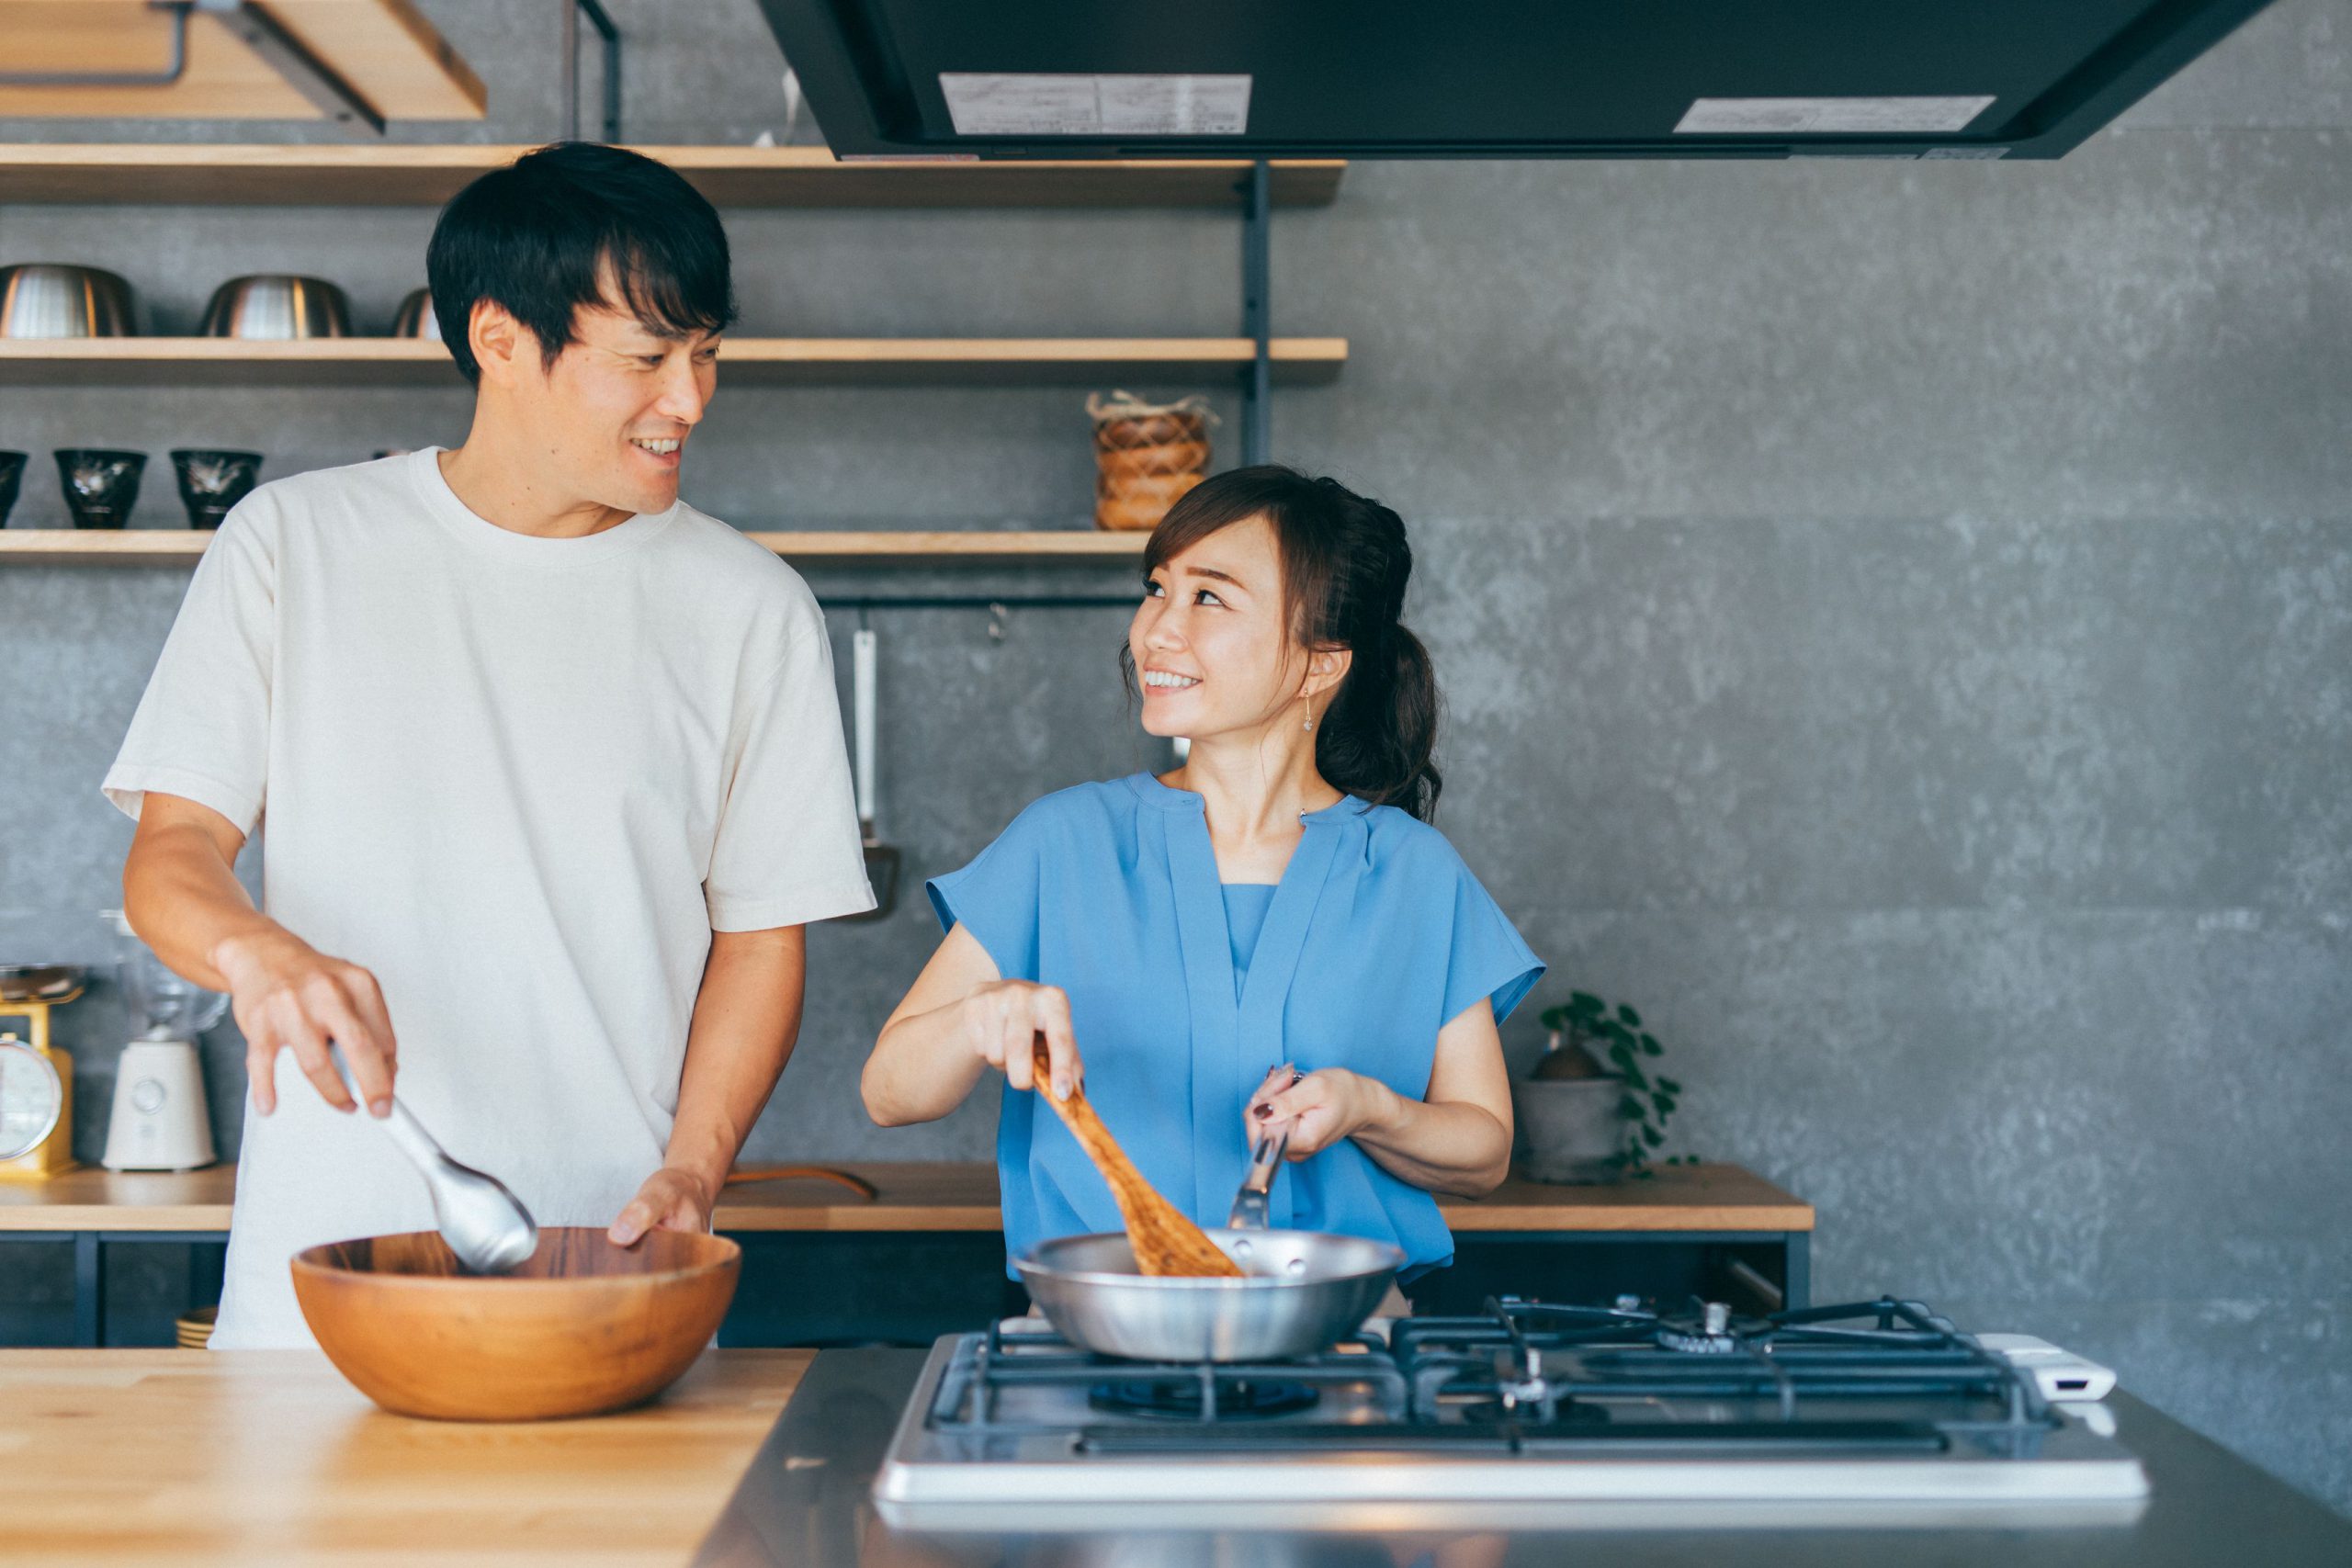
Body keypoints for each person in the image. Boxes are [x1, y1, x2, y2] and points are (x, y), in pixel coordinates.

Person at [107, 143, 873, 1348]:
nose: (691, 399)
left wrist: (694, 1168)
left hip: (616, 1277)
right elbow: (172, 853)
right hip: (321, 1294)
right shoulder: (294, 546)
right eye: (647, 357)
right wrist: (254, 951)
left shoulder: (749, 604)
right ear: (504, 341)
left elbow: (761, 939)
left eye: (706, 352)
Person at [863, 467, 1542, 1291]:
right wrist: (978, 1017)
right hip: (1096, 1344)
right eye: (1157, 588)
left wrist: (1369, 1108)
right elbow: (890, 1092)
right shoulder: (1064, 842)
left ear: (1320, 663)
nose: (1155, 630)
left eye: (1209, 597)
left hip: (1341, 1353)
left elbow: (1484, 1151)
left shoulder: (1414, 874)